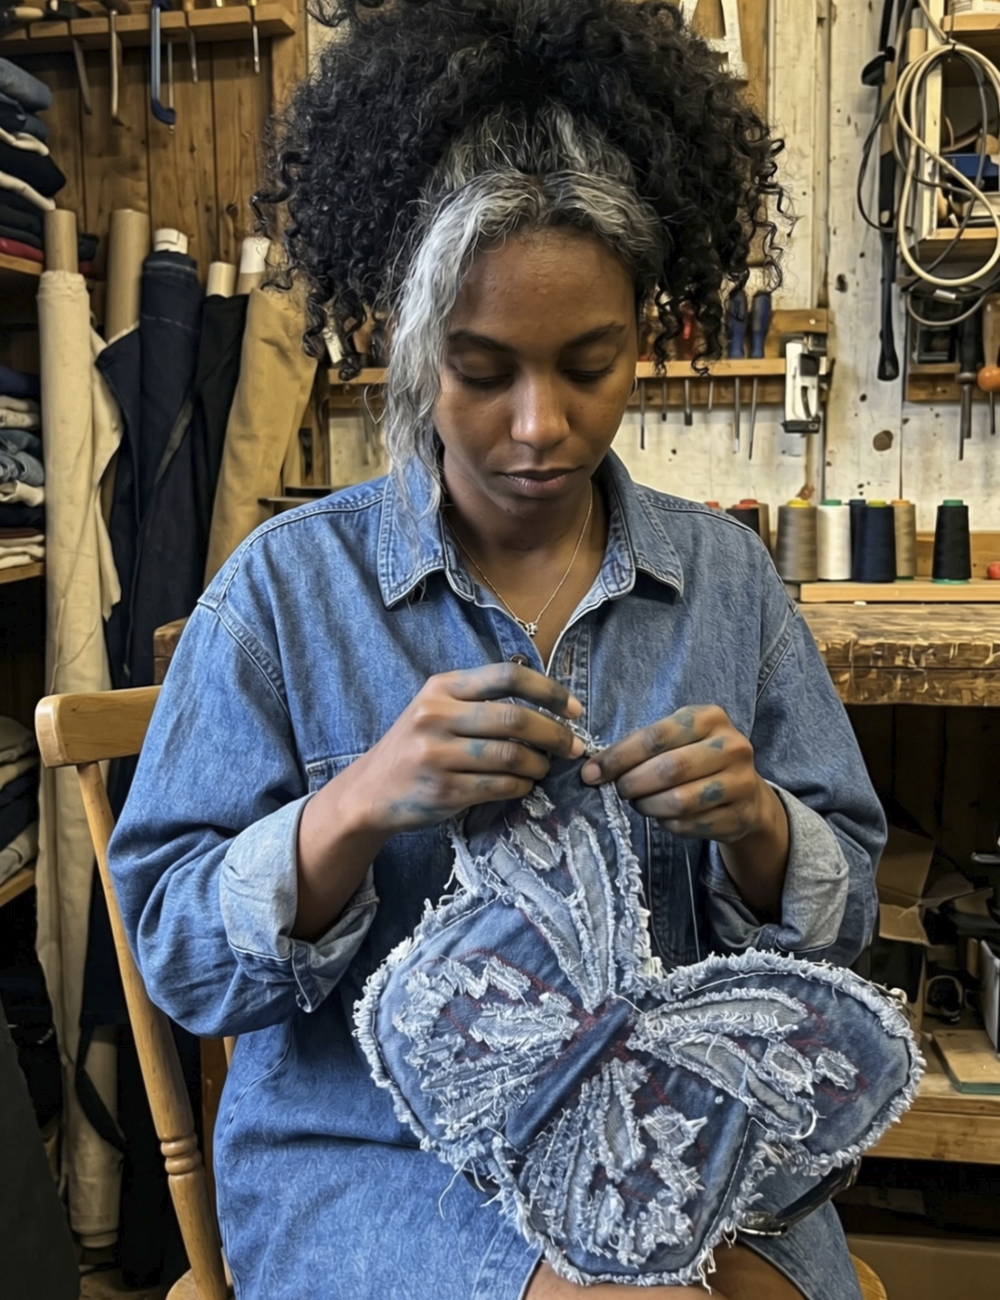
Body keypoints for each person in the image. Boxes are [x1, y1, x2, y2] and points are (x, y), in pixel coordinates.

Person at [108, 3, 885, 1298]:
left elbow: (844, 913)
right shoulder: (287, 593)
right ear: (411, 347)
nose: (539, 425)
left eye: (590, 365)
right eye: (481, 370)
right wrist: (356, 805)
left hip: (684, 1130)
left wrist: (759, 829)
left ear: (648, 332)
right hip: (379, 1153)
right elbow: (180, 959)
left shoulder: (728, 582)